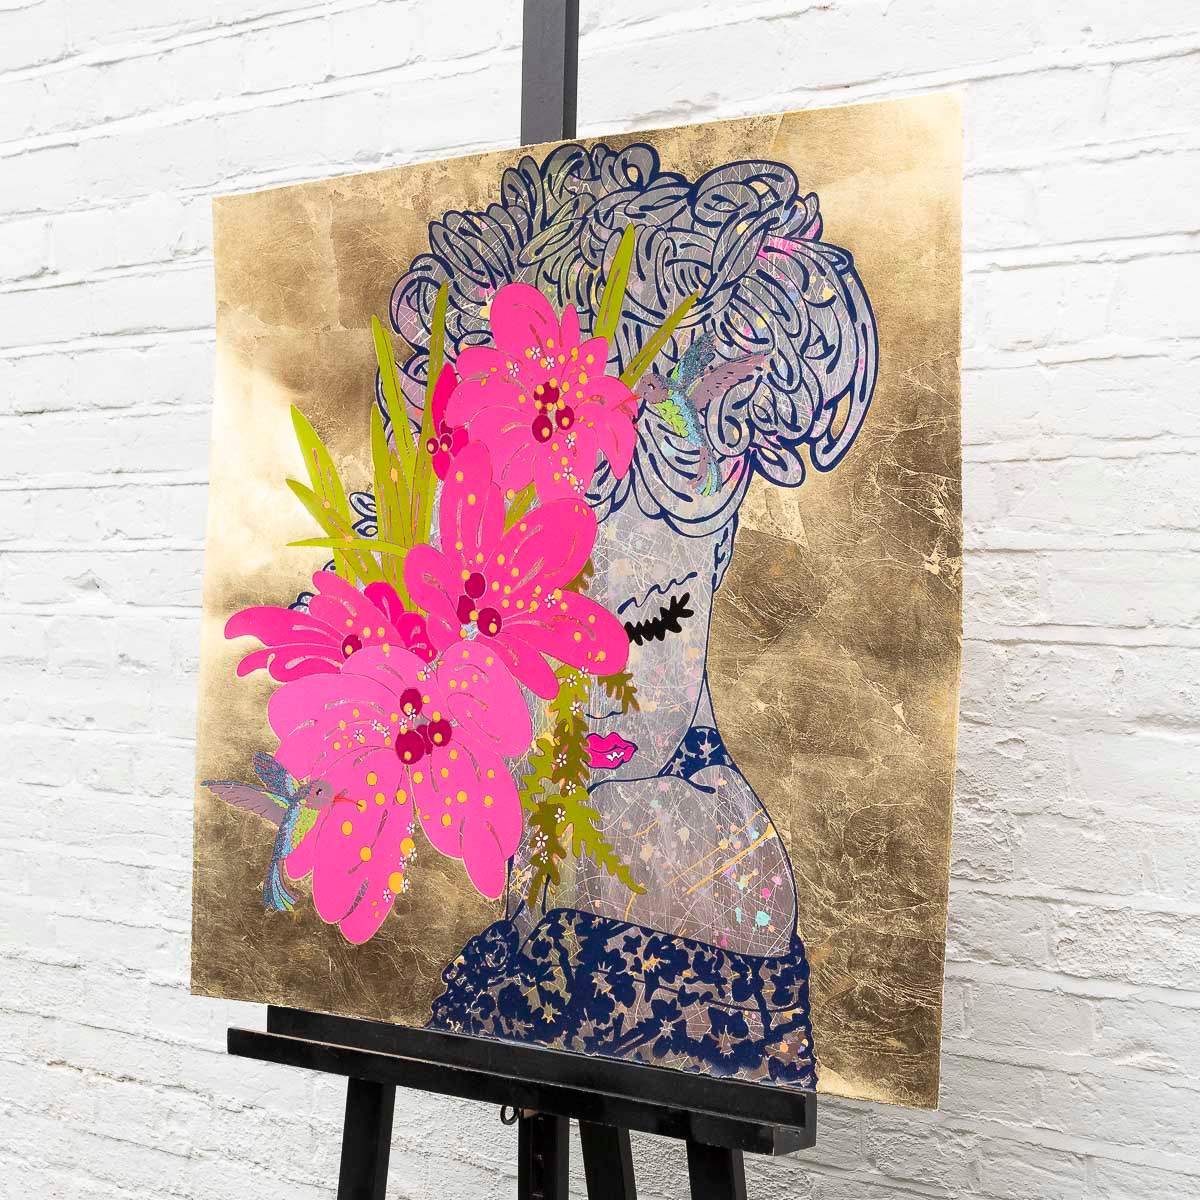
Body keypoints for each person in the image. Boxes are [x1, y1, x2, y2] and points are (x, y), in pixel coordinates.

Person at [390, 140, 878, 1090]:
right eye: (521, 630)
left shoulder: (685, 856)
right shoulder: (579, 815)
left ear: (720, 553)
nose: (589, 689)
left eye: (650, 622)